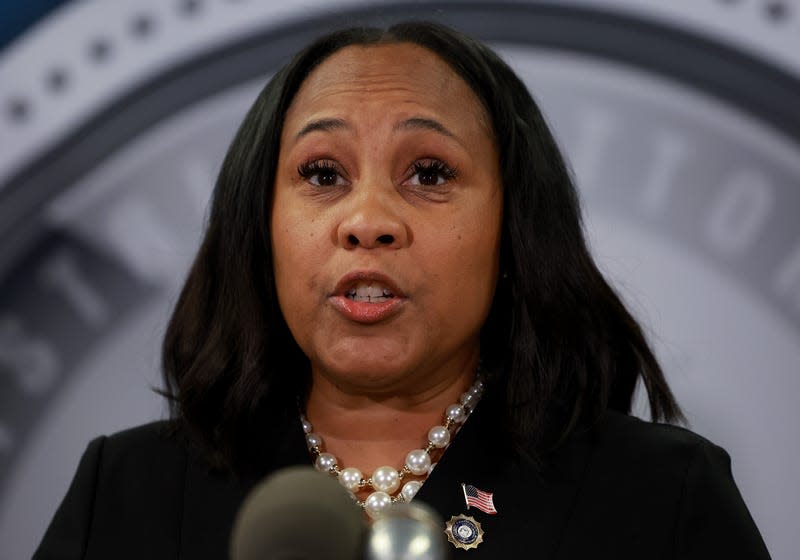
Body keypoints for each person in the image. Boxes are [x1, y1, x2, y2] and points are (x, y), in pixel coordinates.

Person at [34, 21, 770, 559]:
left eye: (430, 173)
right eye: (323, 175)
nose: (369, 221)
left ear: (513, 231)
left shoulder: (659, 497)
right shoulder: (128, 490)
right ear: (259, 228)